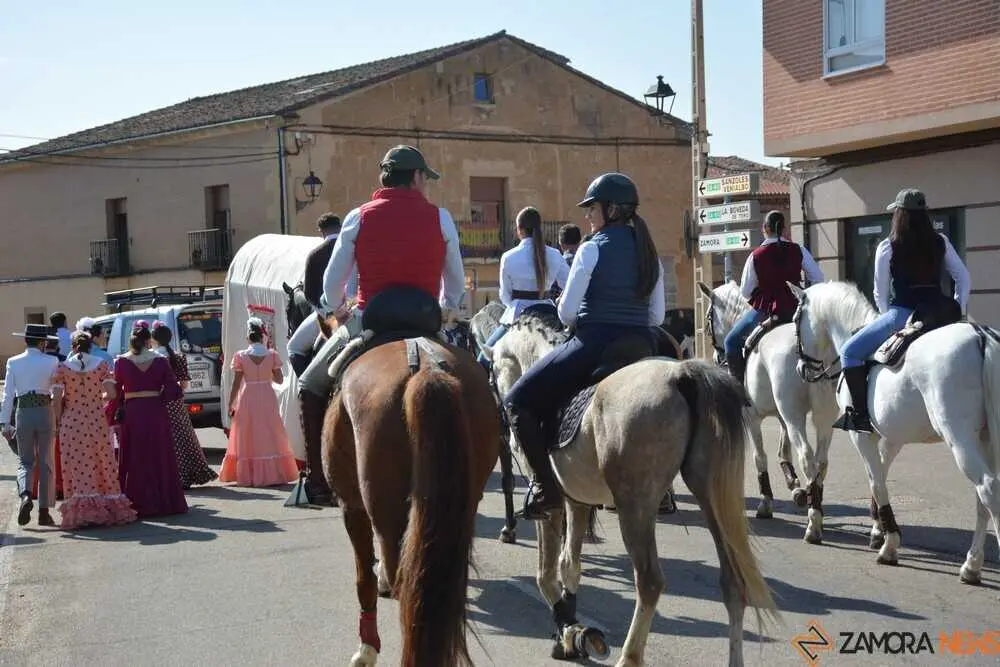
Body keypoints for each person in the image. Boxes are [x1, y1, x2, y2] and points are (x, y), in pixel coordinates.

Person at [504, 173, 666, 519]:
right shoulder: (649, 251)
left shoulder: (591, 248)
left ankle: (547, 490)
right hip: (642, 344)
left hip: (595, 342)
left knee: (517, 401)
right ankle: (664, 490)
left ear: (610, 209)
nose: (587, 215)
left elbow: (565, 313)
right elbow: (657, 315)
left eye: (591, 208)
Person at [299, 144, 465, 401]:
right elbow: (455, 282)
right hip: (426, 318)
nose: (426, 185)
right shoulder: (441, 218)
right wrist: (448, 307)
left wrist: (338, 309)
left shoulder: (358, 217)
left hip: (369, 320)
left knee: (308, 385)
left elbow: (332, 283)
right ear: (416, 177)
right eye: (425, 179)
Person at [833, 188, 971, 433]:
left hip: (902, 314)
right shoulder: (942, 241)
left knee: (849, 352)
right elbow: (963, 278)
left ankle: (861, 417)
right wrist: (956, 309)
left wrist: (889, 319)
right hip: (939, 313)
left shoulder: (888, 246)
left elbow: (880, 292)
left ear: (898, 215)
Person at [724, 210, 825, 386]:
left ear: (765, 228)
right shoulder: (798, 250)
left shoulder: (756, 255)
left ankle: (739, 392)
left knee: (731, 342)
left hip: (767, 310)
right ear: (784, 229)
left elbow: (746, 291)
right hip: (797, 308)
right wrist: (803, 295)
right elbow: (818, 278)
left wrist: (761, 296)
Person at [50, 331, 137, 529]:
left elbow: (56, 398)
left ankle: (81, 510)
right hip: (95, 418)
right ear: (90, 345)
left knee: (76, 463)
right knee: (102, 460)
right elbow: (112, 393)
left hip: (72, 420)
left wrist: (58, 419)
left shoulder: (62, 367)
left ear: (73, 347)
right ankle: (106, 505)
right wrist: (98, 397)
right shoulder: (102, 364)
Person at [108, 320, 189, 519]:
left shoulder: (121, 362)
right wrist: (158, 397)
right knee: (159, 455)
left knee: (136, 456)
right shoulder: (160, 360)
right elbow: (173, 390)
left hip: (133, 413)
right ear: (148, 341)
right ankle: (163, 501)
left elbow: (116, 392)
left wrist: (110, 414)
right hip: (155, 411)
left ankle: (137, 501)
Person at [478, 207, 569, 369]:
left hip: (517, 316)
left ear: (519, 229)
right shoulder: (555, 254)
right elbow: (568, 285)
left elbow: (505, 296)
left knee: (483, 360)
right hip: (549, 312)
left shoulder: (509, 257)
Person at [221, 317, 300, 487]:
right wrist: (267, 372)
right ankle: (274, 472)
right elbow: (279, 380)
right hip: (267, 395)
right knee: (270, 431)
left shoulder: (241, 356)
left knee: (247, 431)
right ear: (261, 336)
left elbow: (236, 383)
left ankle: (249, 473)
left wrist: (230, 403)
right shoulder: (271, 355)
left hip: (248, 395)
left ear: (248, 337)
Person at [1, 324, 61, 526]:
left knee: (25, 460)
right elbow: (55, 390)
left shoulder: (13, 362)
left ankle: (26, 495)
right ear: (43, 342)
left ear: (26, 340)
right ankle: (44, 512)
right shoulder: (52, 360)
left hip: (23, 411)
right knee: (46, 461)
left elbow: (7, 394)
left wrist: (4, 423)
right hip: (45, 410)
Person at [151, 321, 218, 489]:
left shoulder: (151, 358)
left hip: (157, 402)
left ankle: (165, 475)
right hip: (175, 402)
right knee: (183, 438)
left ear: (153, 339)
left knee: (161, 439)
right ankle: (186, 473)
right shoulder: (178, 357)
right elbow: (184, 385)